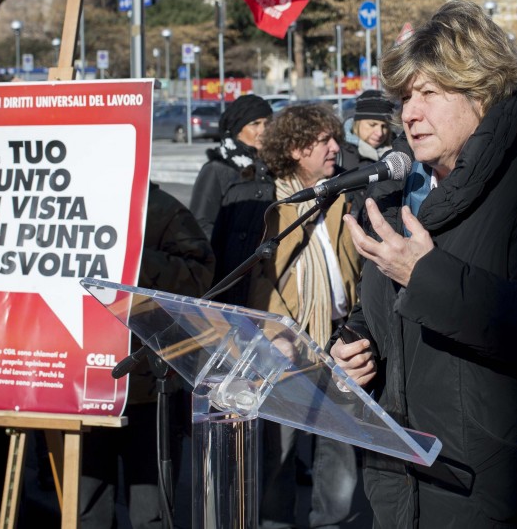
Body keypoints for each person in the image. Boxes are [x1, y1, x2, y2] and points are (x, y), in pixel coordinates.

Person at [332, 0, 517, 527]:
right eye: (405, 98)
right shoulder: (404, 189)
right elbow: (384, 314)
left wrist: (423, 274)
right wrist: (352, 348)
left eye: (429, 93)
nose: (409, 113)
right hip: (405, 482)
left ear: (481, 92)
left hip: (503, 491)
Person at [250, 103, 364, 529]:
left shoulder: (341, 198)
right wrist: (274, 332)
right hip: (284, 345)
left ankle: (330, 523)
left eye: (335, 139)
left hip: (339, 339)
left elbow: (359, 271)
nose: (336, 148)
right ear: (296, 148)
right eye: (324, 141)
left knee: (339, 449)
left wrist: (355, 328)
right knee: (277, 455)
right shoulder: (268, 207)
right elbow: (260, 281)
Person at [79, 182, 216, 529]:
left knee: (150, 511)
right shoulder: (70, 202)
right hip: (83, 384)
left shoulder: (161, 208)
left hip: (148, 387)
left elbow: (200, 277)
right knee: (86, 506)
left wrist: (132, 259)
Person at [189, 94, 274, 305]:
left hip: (262, 277)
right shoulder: (216, 170)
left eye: (267, 123)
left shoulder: (271, 168)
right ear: (237, 130)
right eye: (255, 124)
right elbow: (200, 225)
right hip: (225, 277)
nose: (263, 130)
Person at [339, 89, 396, 171]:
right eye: (372, 125)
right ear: (358, 123)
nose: (379, 133)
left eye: (384, 126)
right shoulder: (339, 153)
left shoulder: (398, 151)